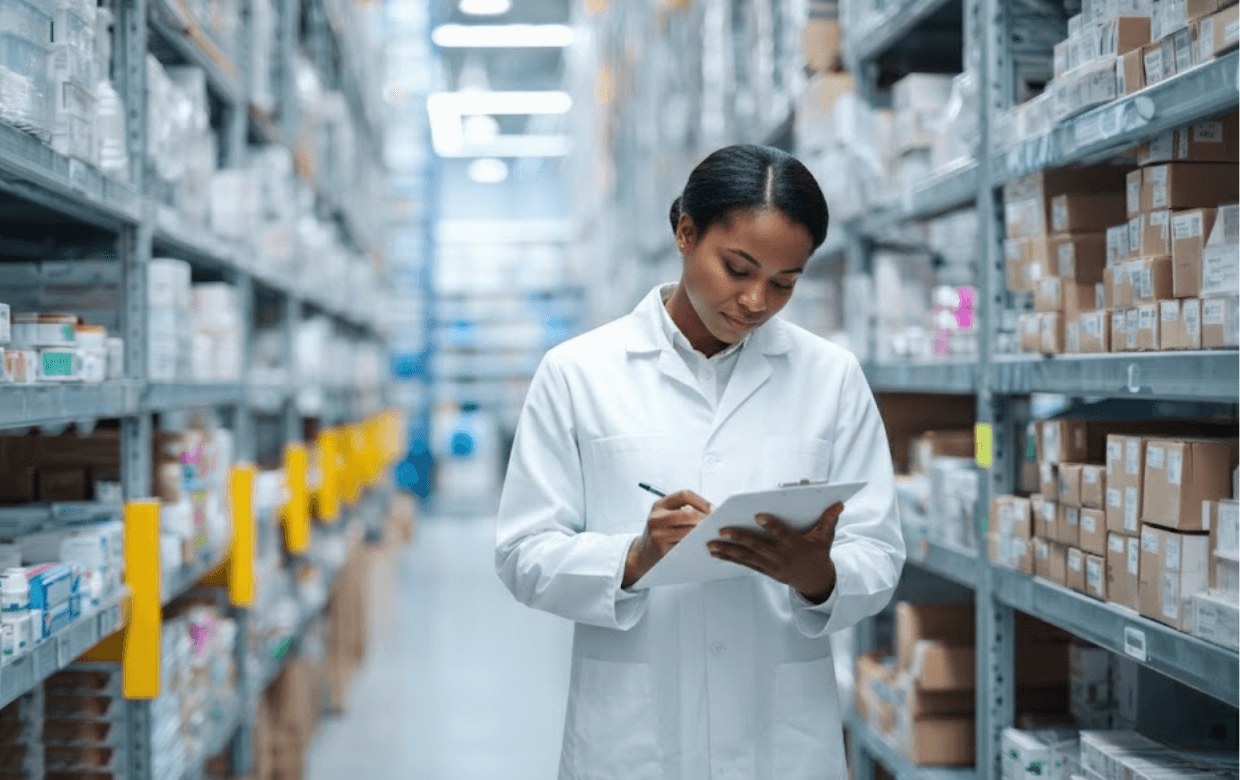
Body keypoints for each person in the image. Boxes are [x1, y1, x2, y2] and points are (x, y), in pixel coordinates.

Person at [495, 144, 905, 780]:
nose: (755, 301)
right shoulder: (579, 374)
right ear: (685, 233)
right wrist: (634, 558)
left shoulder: (831, 378)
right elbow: (523, 552)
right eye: (737, 268)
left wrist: (819, 574)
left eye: (783, 283)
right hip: (636, 738)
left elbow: (878, 551)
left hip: (780, 739)